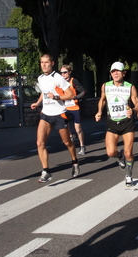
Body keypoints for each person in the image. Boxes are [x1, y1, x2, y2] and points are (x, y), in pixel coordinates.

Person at [31, 54, 80, 182]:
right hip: (46, 114)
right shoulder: (40, 78)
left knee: (67, 142)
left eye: (46, 62)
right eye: (42, 62)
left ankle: (75, 162)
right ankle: (46, 171)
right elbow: (44, 92)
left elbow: (70, 95)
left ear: (52, 63)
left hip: (59, 114)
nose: (44, 65)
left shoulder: (57, 77)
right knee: (40, 143)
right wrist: (38, 103)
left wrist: (56, 97)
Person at [95, 62, 138, 187]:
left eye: (118, 71)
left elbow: (137, 105)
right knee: (110, 152)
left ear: (124, 73)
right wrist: (99, 112)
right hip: (112, 122)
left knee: (129, 152)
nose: (115, 73)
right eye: (113, 71)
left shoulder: (130, 87)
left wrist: (133, 110)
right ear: (110, 73)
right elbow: (102, 100)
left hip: (127, 122)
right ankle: (120, 156)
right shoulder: (106, 86)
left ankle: (129, 175)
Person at [60, 65, 87, 155]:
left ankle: (82, 146)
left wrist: (75, 97)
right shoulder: (61, 82)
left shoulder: (73, 81)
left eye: (65, 72)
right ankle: (71, 136)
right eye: (62, 73)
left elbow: (83, 91)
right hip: (64, 108)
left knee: (78, 129)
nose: (63, 74)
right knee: (64, 125)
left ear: (69, 72)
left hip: (74, 107)